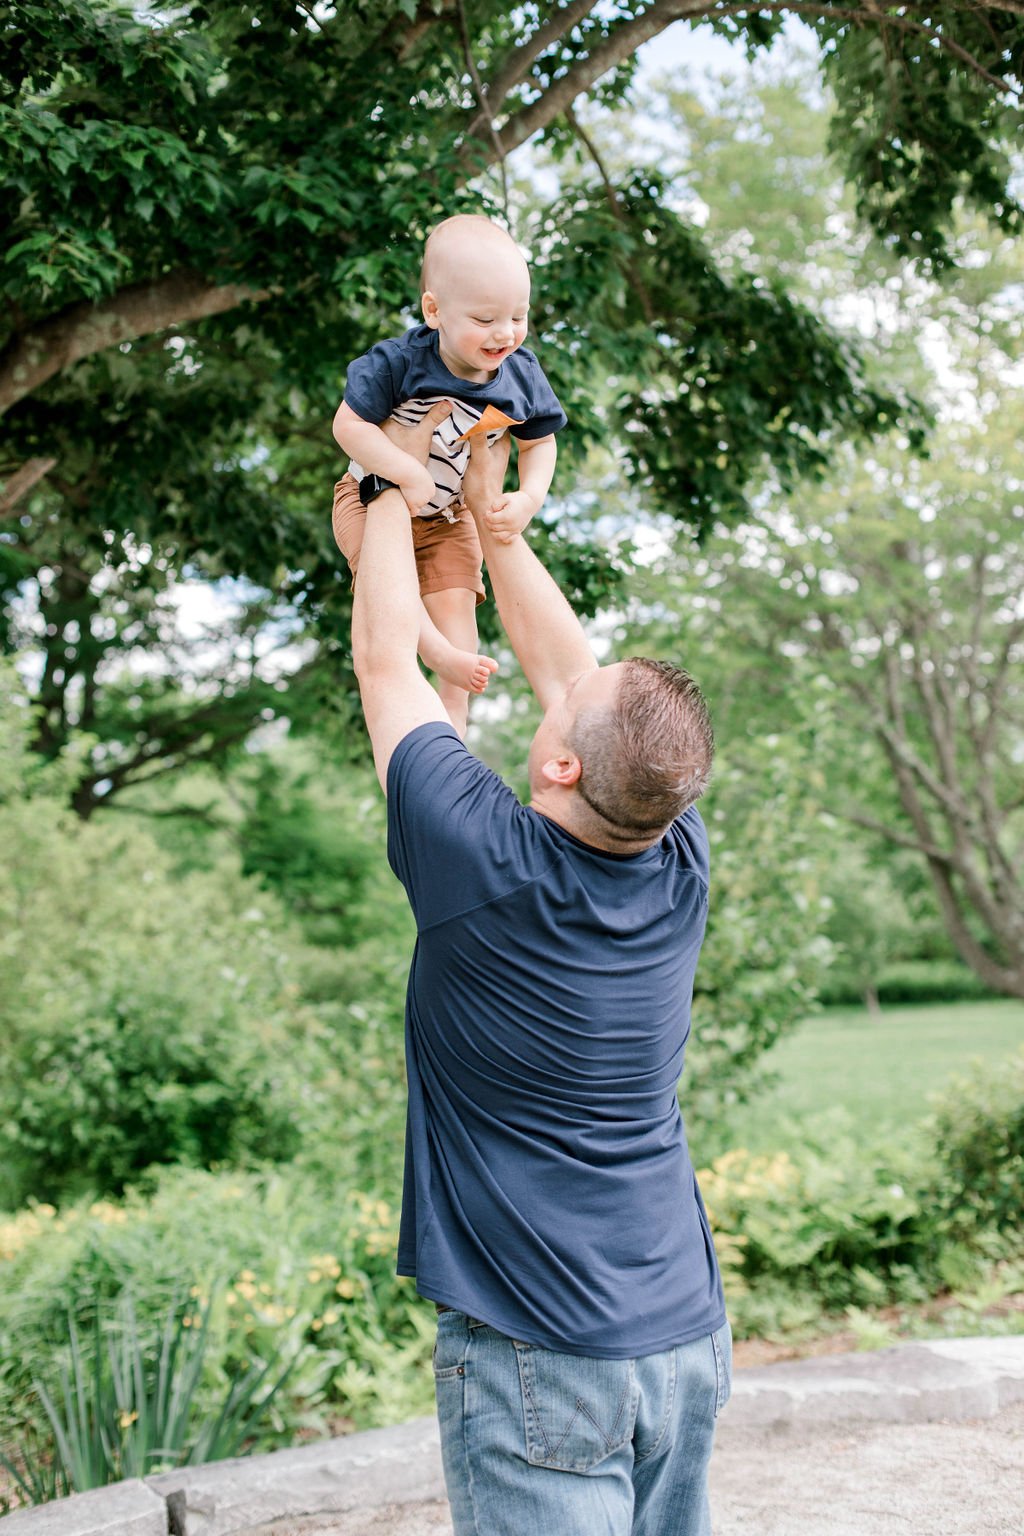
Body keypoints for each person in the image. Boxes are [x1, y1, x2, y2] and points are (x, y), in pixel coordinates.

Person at [350, 403, 731, 1536]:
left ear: (561, 758)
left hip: (542, 1356)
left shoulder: (482, 861)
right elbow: (574, 678)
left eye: (566, 698)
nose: (554, 676)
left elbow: (382, 656)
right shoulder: (676, 852)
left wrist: (381, 479)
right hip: (680, 1342)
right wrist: (491, 524)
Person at [333, 213, 567, 735]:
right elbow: (348, 427)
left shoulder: (521, 375)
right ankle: (435, 652)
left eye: (518, 316)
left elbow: (540, 443)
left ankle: (455, 726)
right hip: (369, 499)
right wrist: (403, 473)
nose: (504, 333)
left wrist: (529, 498)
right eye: (485, 319)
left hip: (449, 513)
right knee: (391, 595)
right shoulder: (398, 363)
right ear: (434, 310)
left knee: (460, 606)